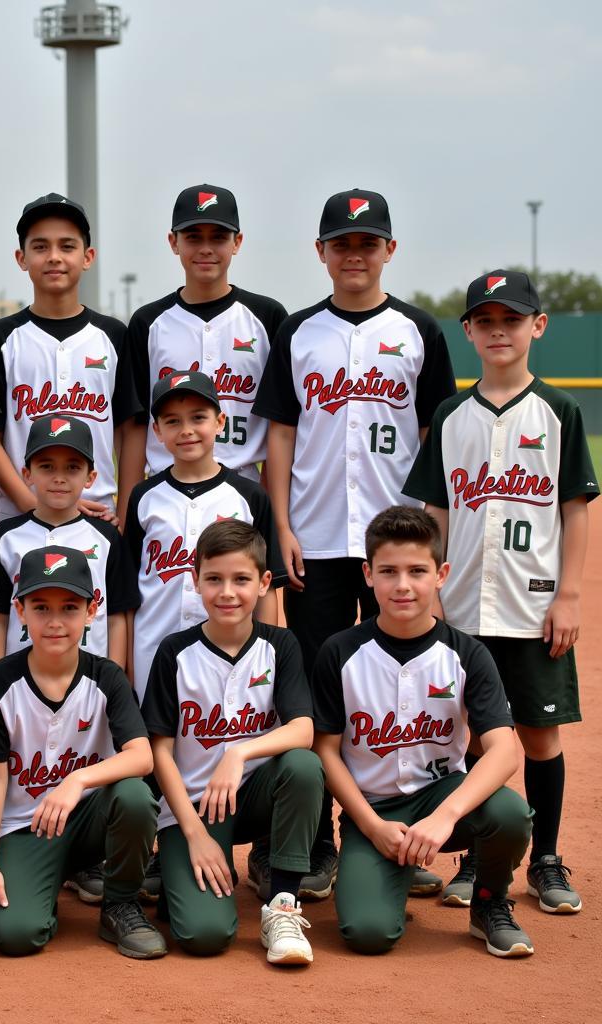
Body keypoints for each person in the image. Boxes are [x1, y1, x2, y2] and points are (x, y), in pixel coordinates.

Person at [252, 188, 456, 899]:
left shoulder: (418, 331)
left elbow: (436, 437)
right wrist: (279, 527)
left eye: (368, 243)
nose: (355, 254)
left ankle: (399, 831)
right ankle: (313, 844)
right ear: (322, 252)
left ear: (389, 250)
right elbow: (279, 432)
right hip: (314, 538)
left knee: (394, 692)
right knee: (314, 692)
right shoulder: (300, 332)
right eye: (342, 243)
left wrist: (430, 534)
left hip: (394, 545)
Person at [404, 270, 597, 913]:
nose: (498, 331)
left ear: (537, 327)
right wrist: (430, 587)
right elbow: (436, 513)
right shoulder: (450, 415)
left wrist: (568, 595)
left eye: (511, 320)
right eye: (485, 321)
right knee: (470, 738)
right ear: (468, 332)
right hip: (461, 607)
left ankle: (545, 857)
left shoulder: (560, 411)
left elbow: (574, 510)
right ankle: (477, 858)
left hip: (531, 604)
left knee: (539, 737)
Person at [312, 506, 534, 957]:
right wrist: (371, 826)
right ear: (368, 574)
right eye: (389, 571)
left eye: (417, 571)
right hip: (374, 809)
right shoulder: (340, 652)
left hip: (441, 797)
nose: (403, 585)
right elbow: (325, 751)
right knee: (368, 934)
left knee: (510, 815)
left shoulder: (467, 654)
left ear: (441, 574)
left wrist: (446, 816)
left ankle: (489, 903)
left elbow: (504, 751)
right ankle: (388, 870)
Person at [0, 546, 167, 959]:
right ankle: (41, 887)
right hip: (25, 828)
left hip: (92, 820)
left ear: (92, 611)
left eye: (70, 607)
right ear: (20, 610)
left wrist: (77, 780)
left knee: (133, 795)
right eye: (41, 607)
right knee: (16, 935)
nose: (55, 622)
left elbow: (143, 757)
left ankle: (120, 903)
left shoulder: (106, 676)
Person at [141, 519, 323, 963]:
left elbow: (303, 729)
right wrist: (193, 832)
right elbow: (159, 751)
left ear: (264, 583)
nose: (227, 592)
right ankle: (176, 867)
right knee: (204, 936)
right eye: (214, 579)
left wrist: (239, 752)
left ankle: (282, 903)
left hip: (257, 795)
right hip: (194, 807)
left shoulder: (281, 645)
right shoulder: (174, 652)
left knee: (303, 765)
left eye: (241, 579)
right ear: (194, 580)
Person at [120, 183, 287, 522]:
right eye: (194, 237)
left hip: (245, 488)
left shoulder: (267, 317)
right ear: (173, 242)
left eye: (219, 237)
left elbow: (279, 426)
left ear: (237, 242)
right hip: (165, 492)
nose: (206, 248)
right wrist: (127, 510)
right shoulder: (148, 322)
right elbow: (137, 424)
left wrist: (272, 513)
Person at [125, 370, 284, 699]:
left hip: (232, 649)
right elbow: (128, 590)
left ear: (220, 421)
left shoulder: (249, 496)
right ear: (156, 430)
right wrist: (127, 660)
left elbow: (266, 589)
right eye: (172, 421)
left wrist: (263, 649)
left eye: (198, 417)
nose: (186, 431)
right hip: (151, 646)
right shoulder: (144, 497)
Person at [0, 193, 138, 526]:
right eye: (40, 247)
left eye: (67, 246)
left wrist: (126, 511)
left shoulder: (113, 335)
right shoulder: (1, 338)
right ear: (21, 258)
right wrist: (30, 504)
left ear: (88, 256)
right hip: (18, 511)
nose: (54, 257)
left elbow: (129, 430)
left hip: (98, 511)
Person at [0, 414, 139, 666]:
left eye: (72, 467)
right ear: (27, 474)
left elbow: (116, 617)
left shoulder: (107, 536)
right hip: (18, 678)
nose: (59, 477)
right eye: (46, 466)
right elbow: (0, 616)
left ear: (90, 477)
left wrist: (116, 678)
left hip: (92, 678)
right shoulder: (7, 536)